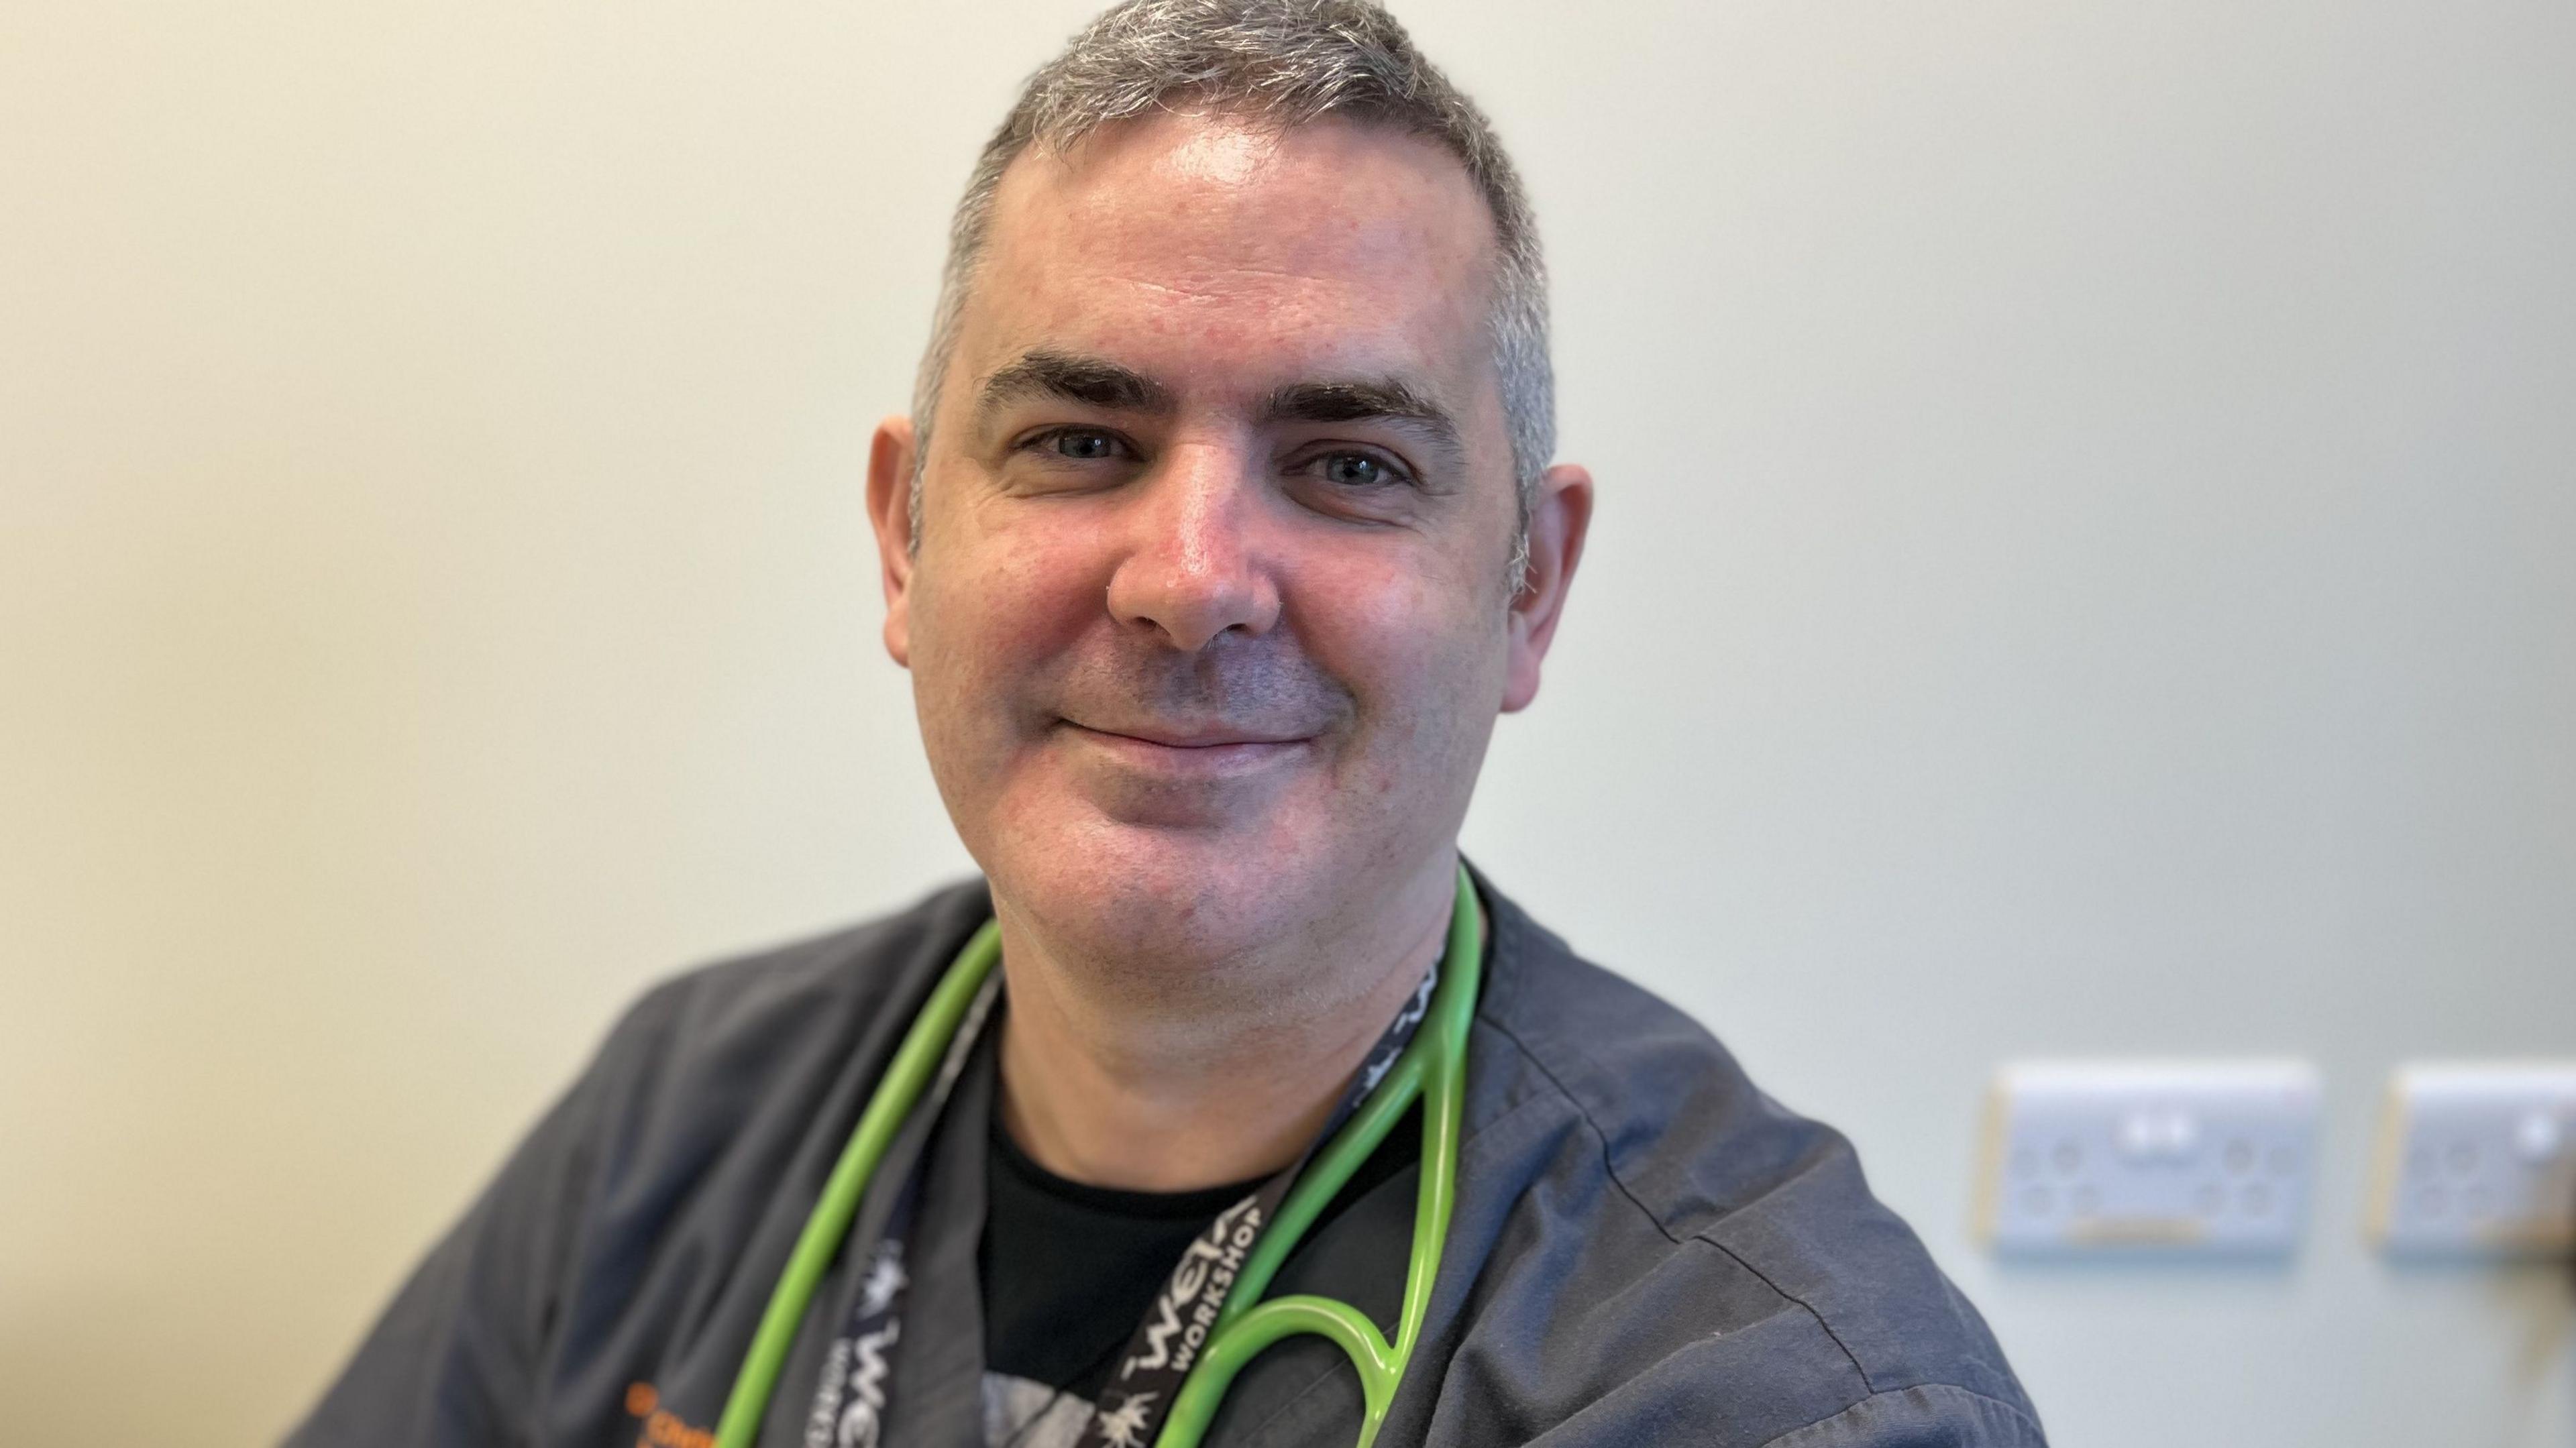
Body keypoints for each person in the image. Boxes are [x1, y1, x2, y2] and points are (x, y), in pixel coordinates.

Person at [288, 2, 2043, 1445]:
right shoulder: (681, 1130)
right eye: (1080, 442)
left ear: (1529, 588)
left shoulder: (1773, 1389)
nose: (1191, 580)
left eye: (1349, 465)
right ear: (907, 540)